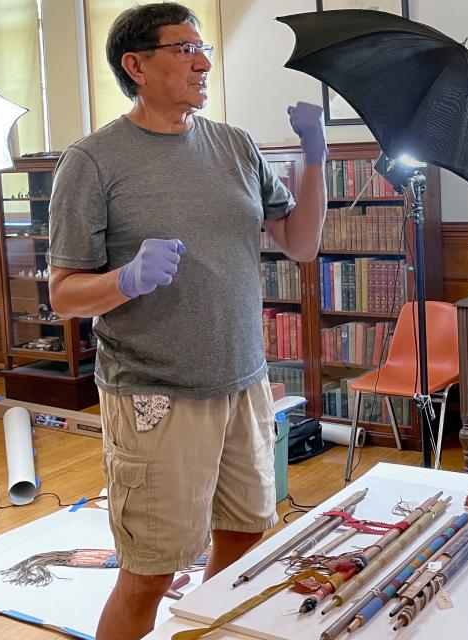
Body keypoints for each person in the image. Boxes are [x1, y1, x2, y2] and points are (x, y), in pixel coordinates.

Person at [46, 4, 327, 639]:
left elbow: (301, 243)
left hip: (243, 383)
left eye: (203, 47)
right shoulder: (92, 163)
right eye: (184, 48)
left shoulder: (235, 145)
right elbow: (64, 296)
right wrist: (125, 280)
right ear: (136, 65)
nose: (203, 61)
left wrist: (315, 159)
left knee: (243, 542)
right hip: (155, 395)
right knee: (148, 572)